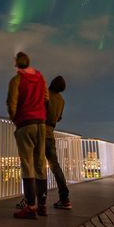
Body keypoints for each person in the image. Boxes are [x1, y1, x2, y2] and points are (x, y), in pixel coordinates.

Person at [8, 51, 49, 219]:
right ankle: (42, 205)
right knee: (40, 163)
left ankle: (30, 206)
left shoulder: (17, 80)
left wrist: (16, 120)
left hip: (25, 123)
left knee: (27, 164)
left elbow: (12, 103)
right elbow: (46, 99)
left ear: (16, 63)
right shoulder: (40, 78)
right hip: (41, 123)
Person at [45, 75, 71, 210]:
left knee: (34, 165)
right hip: (50, 134)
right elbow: (59, 118)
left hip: (40, 131)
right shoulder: (61, 100)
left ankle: (32, 199)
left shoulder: (46, 94)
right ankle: (64, 198)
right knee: (55, 166)